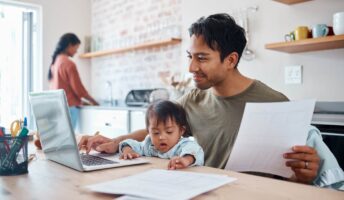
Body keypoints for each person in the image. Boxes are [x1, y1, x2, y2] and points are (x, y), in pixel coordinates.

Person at [78, 14, 344, 189]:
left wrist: (305, 175)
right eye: (189, 57)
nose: (192, 66)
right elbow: (158, 127)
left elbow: (297, 178)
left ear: (230, 60)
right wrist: (115, 142)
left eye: (202, 58)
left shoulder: (275, 104)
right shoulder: (192, 99)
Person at [119, 100, 204, 169]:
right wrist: (128, 151)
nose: (161, 137)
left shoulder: (182, 145)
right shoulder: (149, 145)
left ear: (181, 131)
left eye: (169, 132)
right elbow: (130, 143)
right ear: (148, 131)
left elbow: (195, 151)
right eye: (155, 132)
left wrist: (185, 160)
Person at [49, 33, 98, 129]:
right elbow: (79, 90)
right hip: (69, 108)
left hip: (58, 106)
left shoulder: (55, 62)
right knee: (71, 140)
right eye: (76, 47)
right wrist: (94, 102)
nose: (76, 51)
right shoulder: (68, 63)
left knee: (63, 139)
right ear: (70, 45)